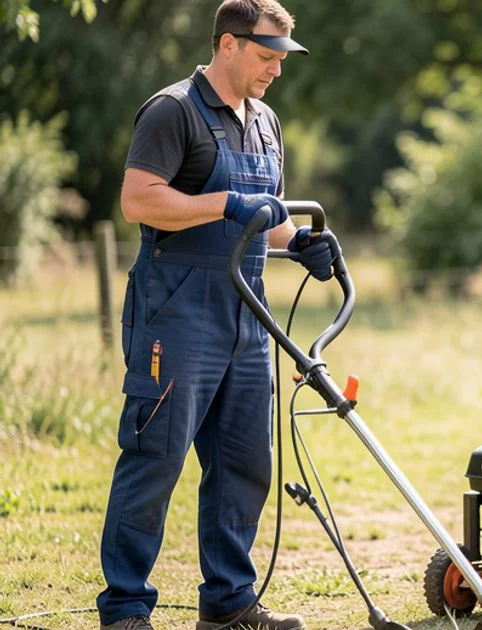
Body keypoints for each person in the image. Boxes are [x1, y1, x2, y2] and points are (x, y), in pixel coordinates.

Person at [96, 1, 338, 628]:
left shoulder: (266, 121)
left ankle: (229, 604)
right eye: (266, 56)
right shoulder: (173, 110)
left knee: (244, 463)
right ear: (228, 45)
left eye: (283, 58)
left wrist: (300, 242)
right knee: (156, 458)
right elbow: (139, 201)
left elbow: (267, 217)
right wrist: (222, 202)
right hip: (176, 312)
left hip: (246, 315)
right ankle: (125, 609)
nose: (276, 70)